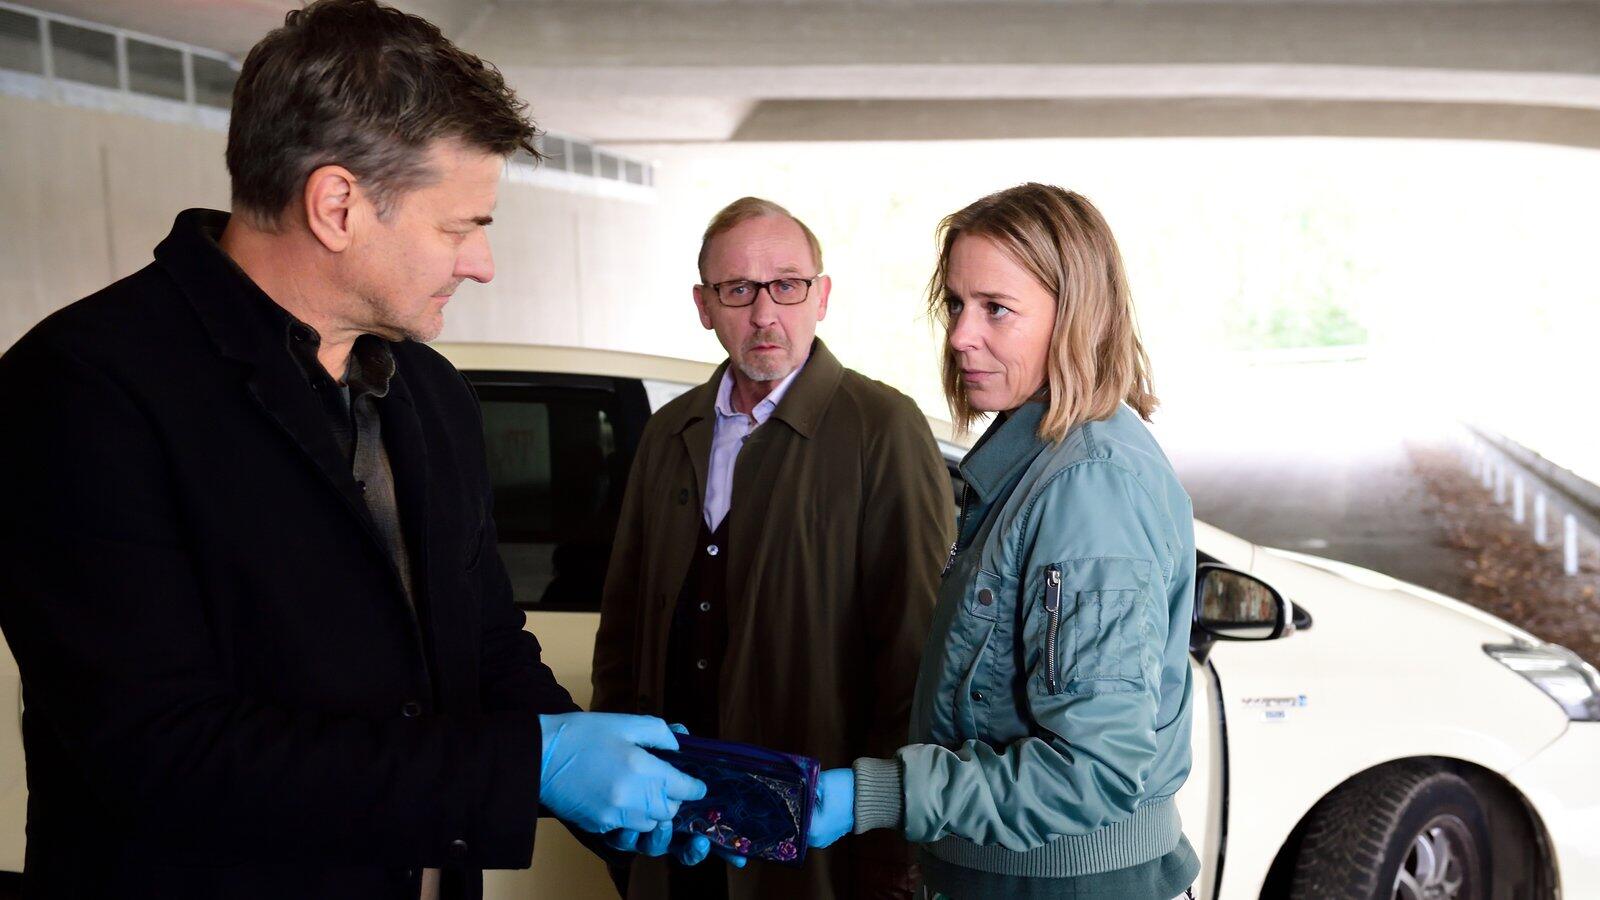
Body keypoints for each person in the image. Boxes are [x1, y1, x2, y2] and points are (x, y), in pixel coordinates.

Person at [0, 2, 712, 897]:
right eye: (460, 226)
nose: (481, 263)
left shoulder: (429, 391)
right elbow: (159, 750)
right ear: (337, 205)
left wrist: (616, 797)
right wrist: (529, 764)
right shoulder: (85, 388)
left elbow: (486, 645)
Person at [806, 183, 1201, 900]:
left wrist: (881, 794)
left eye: (996, 308)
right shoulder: (1034, 463)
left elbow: (1094, 772)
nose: (961, 335)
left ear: (1075, 316)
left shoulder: (1089, 488)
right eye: (956, 304)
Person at [591, 197, 952, 900]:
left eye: (786, 285)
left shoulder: (883, 428)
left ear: (822, 296)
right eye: (738, 290)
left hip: (813, 832)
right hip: (672, 817)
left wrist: (890, 834)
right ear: (704, 306)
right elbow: (624, 625)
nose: (764, 314)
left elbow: (915, 648)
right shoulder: (669, 432)